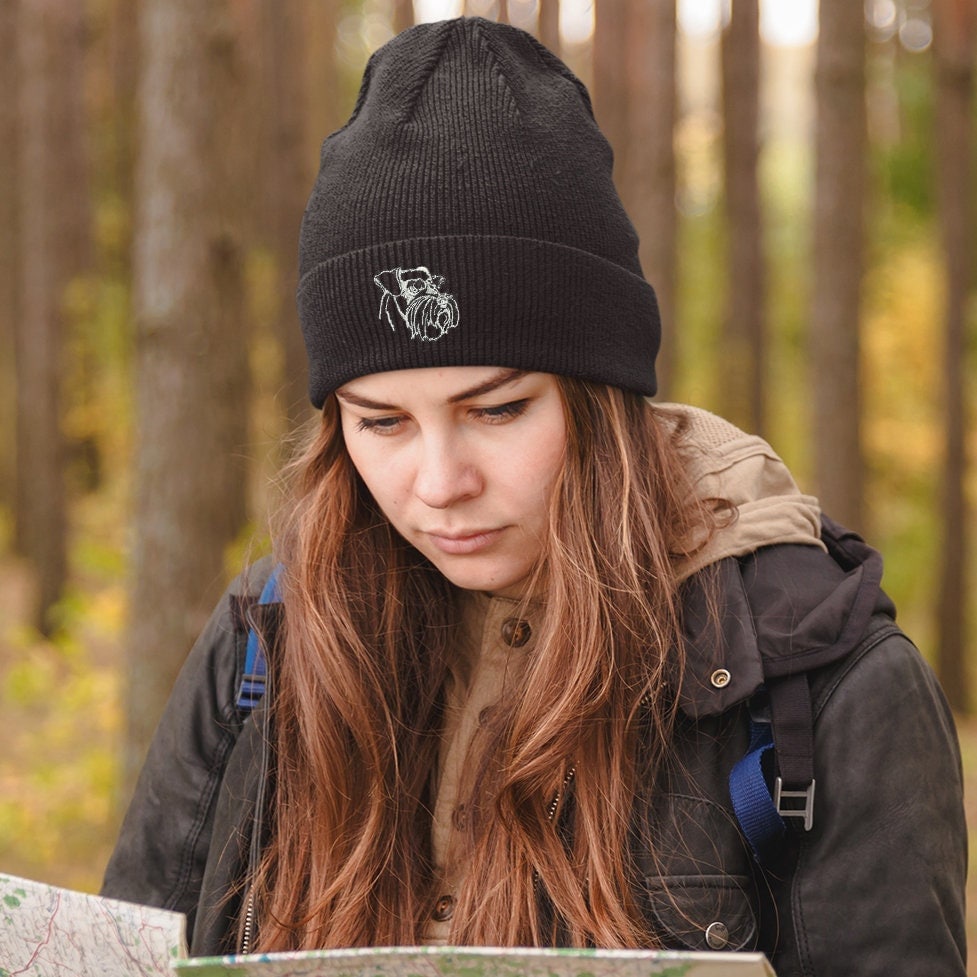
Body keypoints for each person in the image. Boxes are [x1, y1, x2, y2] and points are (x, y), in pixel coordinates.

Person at [101, 17, 967, 976]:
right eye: (380, 421)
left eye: (498, 409)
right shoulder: (265, 640)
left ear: (599, 402)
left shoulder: (822, 681)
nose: (438, 484)